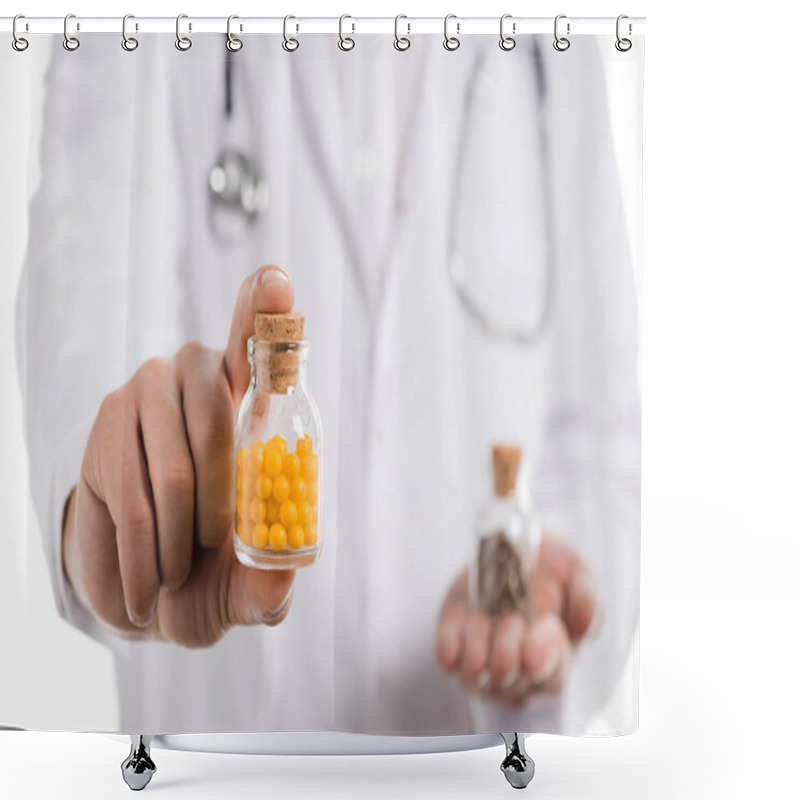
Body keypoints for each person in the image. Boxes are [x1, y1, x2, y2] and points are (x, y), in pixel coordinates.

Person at [17, 32, 640, 736]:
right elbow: (86, 321)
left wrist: (551, 620)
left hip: (469, 757)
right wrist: (111, 503)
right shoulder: (136, 36)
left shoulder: (554, 45)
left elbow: (608, 446)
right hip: (224, 759)